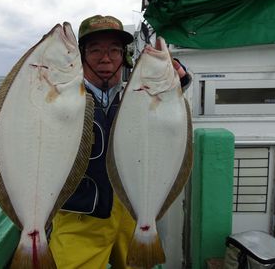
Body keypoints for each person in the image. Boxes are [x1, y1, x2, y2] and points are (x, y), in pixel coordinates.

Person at [49, 15, 191, 269]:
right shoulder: (63, 96)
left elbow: (165, 113)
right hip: (80, 215)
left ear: (124, 56)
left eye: (114, 50)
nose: (106, 59)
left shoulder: (132, 95)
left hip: (130, 209)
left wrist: (176, 77)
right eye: (95, 51)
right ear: (81, 55)